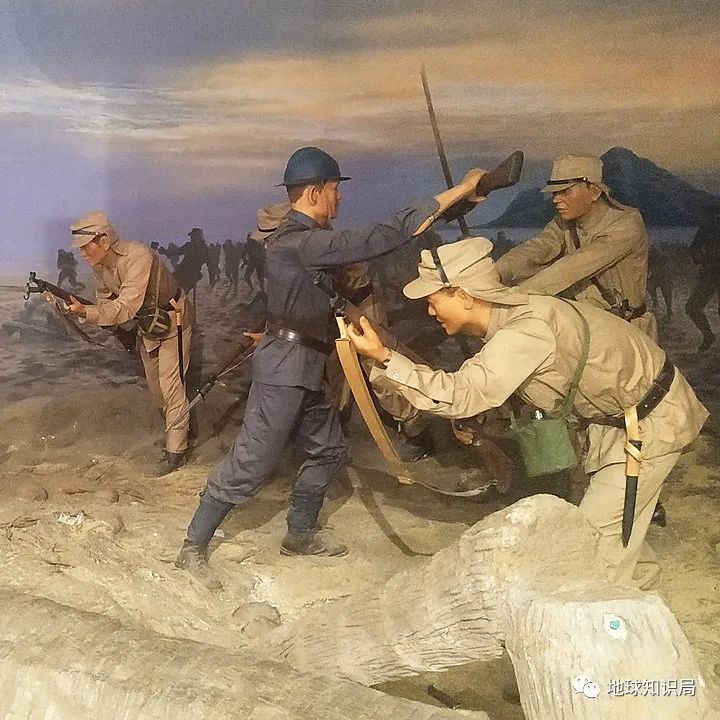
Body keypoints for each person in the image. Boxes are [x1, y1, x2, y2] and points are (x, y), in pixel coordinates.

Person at [175, 146, 483, 589]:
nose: (340, 198)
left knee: (328, 451)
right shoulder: (299, 242)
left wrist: (354, 316)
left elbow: (320, 295)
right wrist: (458, 191)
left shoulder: (305, 244)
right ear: (315, 192)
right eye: (335, 190)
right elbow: (380, 236)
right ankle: (193, 545)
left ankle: (299, 534)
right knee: (251, 463)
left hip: (308, 366)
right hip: (285, 371)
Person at [347, 238, 707, 589]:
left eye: (433, 299)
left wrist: (386, 358)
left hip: (649, 425)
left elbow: (462, 393)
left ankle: (612, 615)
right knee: (618, 528)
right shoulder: (517, 316)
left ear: (463, 295)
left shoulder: (525, 331)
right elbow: (519, 383)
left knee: (590, 545)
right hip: (617, 422)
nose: (429, 311)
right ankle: (639, 593)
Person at [66, 211, 194, 475]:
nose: (82, 254)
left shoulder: (138, 256)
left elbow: (125, 306)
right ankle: (177, 429)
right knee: (157, 389)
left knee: (171, 385)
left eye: (85, 246)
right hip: (148, 324)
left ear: (103, 241)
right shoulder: (100, 267)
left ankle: (176, 451)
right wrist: (84, 310)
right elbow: (106, 302)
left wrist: (87, 312)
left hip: (173, 319)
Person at [495, 154, 656, 338]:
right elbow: (538, 248)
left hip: (627, 331)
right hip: (589, 327)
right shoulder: (565, 222)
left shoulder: (626, 224)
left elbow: (573, 267)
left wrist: (512, 297)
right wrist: (497, 271)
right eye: (554, 193)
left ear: (594, 192)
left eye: (565, 191)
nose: (556, 199)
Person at [685, 205, 720, 351]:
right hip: (710, 272)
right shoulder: (707, 229)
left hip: (710, 271)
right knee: (692, 307)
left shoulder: (708, 227)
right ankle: (708, 335)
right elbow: (694, 248)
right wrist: (701, 259)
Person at [647, 244, 673, 319]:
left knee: (667, 293)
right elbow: (647, 269)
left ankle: (669, 309)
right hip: (655, 277)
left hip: (665, 278)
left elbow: (669, 269)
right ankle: (655, 300)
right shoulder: (650, 258)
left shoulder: (665, 258)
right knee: (649, 285)